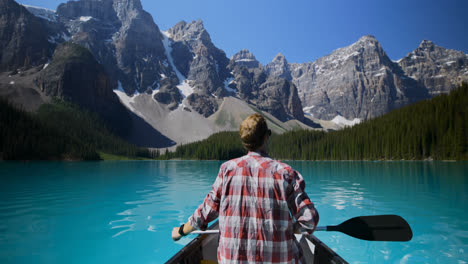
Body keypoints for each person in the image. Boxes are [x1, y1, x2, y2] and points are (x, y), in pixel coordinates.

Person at [171, 113, 319, 263]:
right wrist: (293, 227)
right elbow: (309, 220)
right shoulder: (285, 173)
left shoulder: (227, 170)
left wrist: (181, 231)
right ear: (266, 136)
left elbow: (205, 212)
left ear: (244, 141)